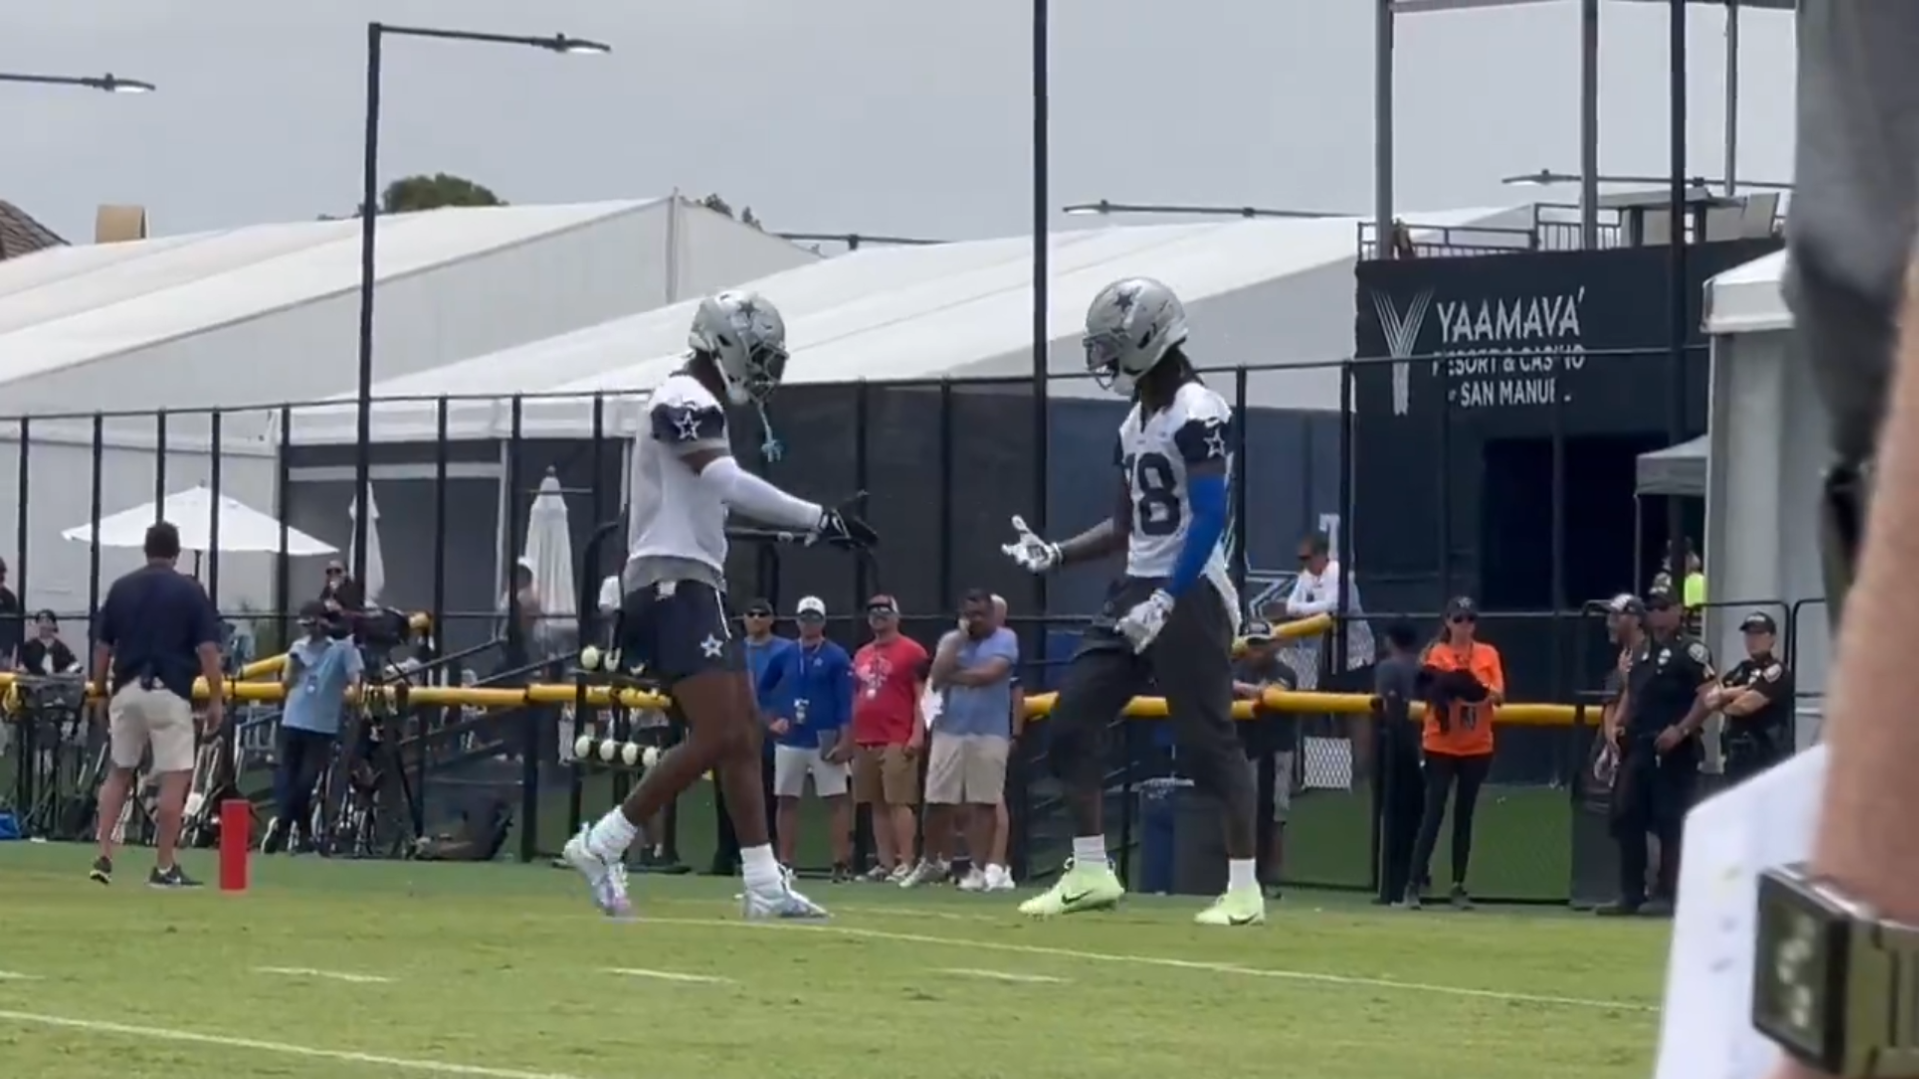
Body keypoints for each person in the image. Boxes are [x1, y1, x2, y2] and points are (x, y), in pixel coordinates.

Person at [561, 290, 874, 921]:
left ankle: (762, 883)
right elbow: (723, 480)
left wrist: (809, 525)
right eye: (756, 357)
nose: (762, 373)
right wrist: (818, 518)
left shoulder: (696, 401)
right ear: (723, 344)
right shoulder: (680, 398)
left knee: (741, 735)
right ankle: (606, 841)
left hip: (693, 579)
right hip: (671, 581)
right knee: (723, 732)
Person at [1000, 276, 1262, 926]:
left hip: (1191, 589)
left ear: (1149, 339)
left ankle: (1244, 888)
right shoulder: (1134, 419)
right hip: (1134, 589)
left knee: (1208, 742)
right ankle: (1090, 868)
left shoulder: (1196, 410)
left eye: (1113, 347)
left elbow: (1206, 517)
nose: (1104, 361)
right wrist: (1057, 552)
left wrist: (1168, 597)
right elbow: (1124, 527)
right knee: (1068, 723)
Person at [87, 521, 225, 888]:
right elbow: (208, 650)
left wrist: (99, 691)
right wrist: (215, 698)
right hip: (170, 690)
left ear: (145, 550)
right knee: (174, 777)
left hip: (126, 688)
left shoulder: (121, 588)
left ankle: (103, 853)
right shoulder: (190, 592)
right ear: (176, 552)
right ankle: (164, 866)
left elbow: (102, 648)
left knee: (119, 771)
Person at [1595, 590, 1713, 918]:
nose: (1657, 614)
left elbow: (1708, 696)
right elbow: (1631, 696)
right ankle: (1630, 892)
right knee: (1627, 814)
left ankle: (1668, 893)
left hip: (1674, 748)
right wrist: (1614, 737)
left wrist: (1682, 729)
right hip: (1639, 745)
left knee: (1669, 819)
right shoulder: (1641, 654)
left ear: (1677, 611)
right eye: (1652, 608)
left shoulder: (1691, 650)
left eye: (1664, 608)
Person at [1402, 596, 1504, 910]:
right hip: (1441, 744)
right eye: (1458, 619)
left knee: (1465, 814)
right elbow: (1429, 688)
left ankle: (1458, 884)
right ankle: (1413, 884)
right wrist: (1449, 688)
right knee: (1434, 811)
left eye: (1470, 619)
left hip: (1477, 745)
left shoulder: (1487, 654)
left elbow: (1498, 696)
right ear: (1447, 622)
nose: (1464, 625)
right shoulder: (1438, 653)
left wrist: (1475, 690)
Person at [924, 589, 1020, 892]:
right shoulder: (951, 641)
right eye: (969, 614)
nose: (975, 620)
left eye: (981, 614)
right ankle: (930, 863)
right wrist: (956, 643)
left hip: (989, 730)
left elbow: (988, 676)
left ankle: (983, 868)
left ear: (993, 615)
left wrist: (955, 674)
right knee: (937, 800)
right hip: (949, 728)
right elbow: (936, 677)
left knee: (985, 802)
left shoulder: (1006, 639)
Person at [759, 595, 854, 879]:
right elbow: (762, 690)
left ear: (823, 622)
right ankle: (785, 862)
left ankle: (840, 863)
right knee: (787, 799)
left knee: (836, 799)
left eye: (813, 618)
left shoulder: (836, 656)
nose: (808, 623)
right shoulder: (786, 655)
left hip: (825, 737)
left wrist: (846, 740)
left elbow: (846, 702)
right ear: (797, 621)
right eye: (803, 618)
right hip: (791, 739)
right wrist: (772, 721)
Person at [263, 601, 365, 855]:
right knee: (288, 776)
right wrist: (293, 669)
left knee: (306, 780)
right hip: (293, 719)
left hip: (321, 725)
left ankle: (284, 824)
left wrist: (355, 698)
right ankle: (303, 833)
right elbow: (286, 683)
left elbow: (356, 681)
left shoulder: (342, 649)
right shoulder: (298, 648)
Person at [851, 594, 928, 883]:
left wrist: (918, 732)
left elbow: (922, 695)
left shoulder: (912, 652)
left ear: (897, 616)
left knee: (899, 801)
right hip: (865, 737)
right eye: (873, 611)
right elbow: (855, 694)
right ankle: (884, 863)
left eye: (885, 610)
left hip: (897, 734)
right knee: (876, 802)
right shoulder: (861, 654)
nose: (878, 615)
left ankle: (906, 862)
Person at [711, 598, 791, 874]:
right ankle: (726, 854)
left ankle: (764, 859)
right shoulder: (731, 651)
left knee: (766, 796)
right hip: (733, 730)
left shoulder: (785, 650)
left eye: (762, 614)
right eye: (751, 614)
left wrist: (778, 719)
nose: (756, 618)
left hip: (769, 734)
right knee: (727, 794)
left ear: (771, 619)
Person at [1232, 621, 1298, 895]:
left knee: (1275, 816)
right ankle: (1245, 877)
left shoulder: (1284, 672)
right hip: (1246, 750)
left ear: (1274, 645)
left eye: (1263, 643)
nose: (1257, 649)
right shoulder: (1239, 669)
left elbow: (1273, 695)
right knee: (1245, 813)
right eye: (1253, 643)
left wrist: (1240, 687)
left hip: (1278, 751)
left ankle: (1272, 878)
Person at [1371, 622, 1425, 906]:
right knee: (1416, 819)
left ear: (1390, 640)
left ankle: (1391, 889)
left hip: (1394, 749)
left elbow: (1386, 708)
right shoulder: (1424, 665)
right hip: (1424, 748)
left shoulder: (1388, 667)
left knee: (1392, 820)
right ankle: (1416, 880)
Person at [1708, 611, 1795, 785]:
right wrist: (1742, 691)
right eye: (1749, 634)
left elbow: (1745, 706)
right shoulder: (1741, 669)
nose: (1752, 640)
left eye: (1758, 634)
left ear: (1772, 638)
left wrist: (1728, 697)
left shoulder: (1777, 670)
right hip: (1737, 757)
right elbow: (1711, 698)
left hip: (1766, 759)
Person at [19, 610, 78, 675]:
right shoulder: (29, 646)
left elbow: (75, 665)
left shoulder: (60, 647)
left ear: (54, 625)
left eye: (47, 621)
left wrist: (65, 673)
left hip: (56, 682)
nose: (44, 625)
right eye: (40, 621)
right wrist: (23, 670)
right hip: (34, 682)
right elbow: (22, 665)